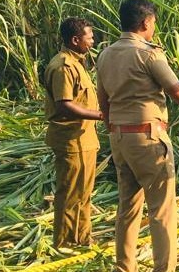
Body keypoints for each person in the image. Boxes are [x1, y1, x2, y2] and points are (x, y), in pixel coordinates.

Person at [97, 0, 179, 272]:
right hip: (148, 138)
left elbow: (104, 105)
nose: (154, 29)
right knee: (161, 210)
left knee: (128, 208)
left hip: (120, 139)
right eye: (153, 24)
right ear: (145, 22)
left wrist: (116, 127)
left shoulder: (105, 54)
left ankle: (124, 267)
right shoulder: (149, 54)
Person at [42, 17, 104, 249]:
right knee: (69, 195)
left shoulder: (77, 63)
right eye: (89, 37)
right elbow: (64, 104)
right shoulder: (63, 66)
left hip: (84, 139)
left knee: (84, 194)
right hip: (70, 140)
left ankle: (82, 239)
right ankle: (65, 244)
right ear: (75, 39)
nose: (93, 40)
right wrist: (100, 115)